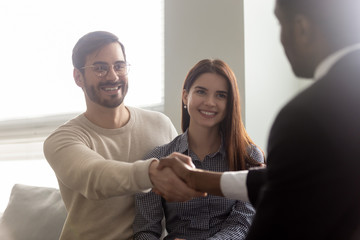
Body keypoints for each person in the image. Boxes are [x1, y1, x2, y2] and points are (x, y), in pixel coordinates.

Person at [156, 0, 360, 239]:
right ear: (185, 96)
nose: (281, 41)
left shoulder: (302, 116)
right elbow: (279, 179)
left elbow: (273, 211)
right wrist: (197, 179)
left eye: (279, 24)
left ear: (302, 28)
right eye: (201, 91)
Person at [43, 31, 204, 240]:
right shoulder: (61, 140)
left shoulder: (160, 124)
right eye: (100, 68)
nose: (112, 76)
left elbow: (180, 201)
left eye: (119, 66)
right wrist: (152, 172)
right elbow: (95, 176)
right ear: (78, 77)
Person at [133, 59, 265, 239]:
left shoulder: (249, 157)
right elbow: (145, 231)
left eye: (221, 95)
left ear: (230, 103)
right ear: (185, 96)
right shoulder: (158, 159)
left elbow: (242, 224)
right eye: (201, 92)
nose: (210, 102)